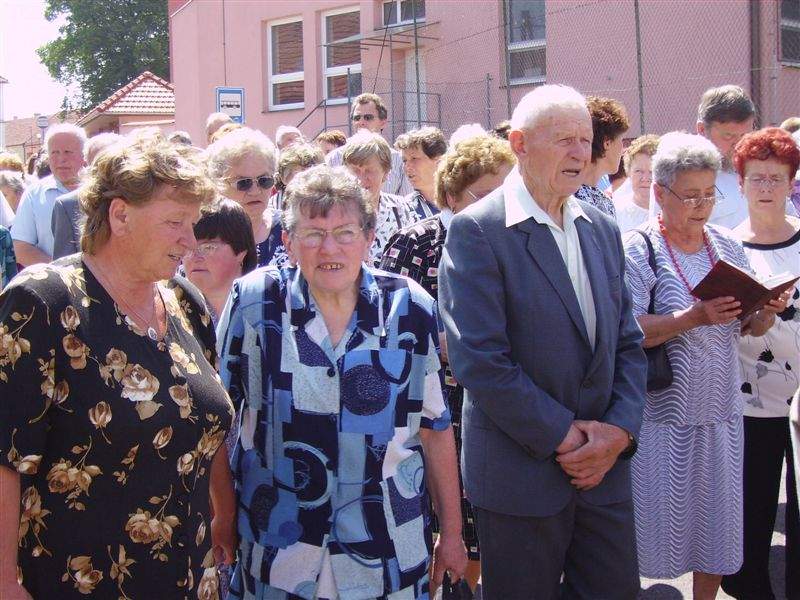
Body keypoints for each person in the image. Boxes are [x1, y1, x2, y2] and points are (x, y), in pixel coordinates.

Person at [0, 134, 236, 599]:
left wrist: (223, 516)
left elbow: (207, 429)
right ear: (120, 214)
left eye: (193, 223)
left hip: (187, 575)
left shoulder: (185, 303)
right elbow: (4, 456)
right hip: (80, 579)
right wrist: (4, 583)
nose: (190, 242)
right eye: (175, 222)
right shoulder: (44, 301)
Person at [217, 164, 467, 599]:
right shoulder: (255, 302)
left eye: (345, 232)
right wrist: (220, 514)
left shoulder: (408, 306)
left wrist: (453, 532)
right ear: (289, 242)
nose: (328, 247)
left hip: (387, 542)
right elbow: (218, 422)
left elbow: (435, 427)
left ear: (370, 238)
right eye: (312, 233)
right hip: (280, 545)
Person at [438, 85, 647, 600]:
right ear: (520, 143)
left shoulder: (599, 228)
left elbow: (627, 343)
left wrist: (618, 433)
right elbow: (480, 362)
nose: (580, 153)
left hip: (603, 476)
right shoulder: (477, 232)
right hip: (521, 479)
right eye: (564, 141)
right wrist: (570, 439)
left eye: (585, 139)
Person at [624, 131, 786, 600]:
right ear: (659, 193)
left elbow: (743, 329)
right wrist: (692, 317)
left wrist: (763, 312)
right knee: (649, 529)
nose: (702, 205)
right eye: (690, 195)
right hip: (660, 419)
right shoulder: (637, 248)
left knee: (716, 532)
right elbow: (627, 330)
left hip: (720, 413)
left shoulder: (726, 246)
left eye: (710, 194)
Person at [381, 134, 515, 592]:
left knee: (481, 527)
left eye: (506, 192)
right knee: (436, 517)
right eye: (486, 193)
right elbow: (389, 329)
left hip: (498, 404)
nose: (499, 204)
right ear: (454, 194)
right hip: (432, 409)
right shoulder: (415, 243)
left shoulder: (516, 240)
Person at [719, 128, 800, 600]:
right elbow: (724, 325)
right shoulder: (729, 247)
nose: (765, 188)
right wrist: (758, 318)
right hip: (749, 401)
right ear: (742, 183)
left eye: (775, 178)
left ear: (791, 181)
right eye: (756, 178)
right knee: (752, 510)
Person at [205, 127, 288, 268]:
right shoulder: (202, 235)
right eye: (243, 183)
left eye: (264, 180)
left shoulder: (290, 228)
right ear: (219, 184)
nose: (255, 191)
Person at [11, 124, 86, 266]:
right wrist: (63, 274)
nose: (61, 159)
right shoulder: (34, 194)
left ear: (84, 155)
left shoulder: (101, 191)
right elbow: (21, 247)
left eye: (68, 152)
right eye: (55, 153)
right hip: (54, 282)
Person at [341, 131, 419, 266]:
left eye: (369, 170)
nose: (360, 179)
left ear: (386, 174)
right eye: (355, 170)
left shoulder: (403, 210)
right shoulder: (331, 212)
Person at [51, 132, 123, 260]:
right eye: (100, 163)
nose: (108, 169)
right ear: (87, 166)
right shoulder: (68, 205)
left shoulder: (143, 199)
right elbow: (65, 265)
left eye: (116, 162)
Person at [183, 198, 257, 321]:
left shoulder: (265, 308)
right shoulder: (171, 310)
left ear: (241, 252)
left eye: (208, 247)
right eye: (188, 247)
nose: (194, 256)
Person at [326, 93, 413, 196]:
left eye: (368, 117)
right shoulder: (334, 158)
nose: (361, 122)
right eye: (357, 118)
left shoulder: (398, 160)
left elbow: (405, 203)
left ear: (383, 122)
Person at [696, 85, 757, 229]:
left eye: (745, 135)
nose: (739, 144)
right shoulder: (681, 176)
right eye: (729, 136)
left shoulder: (763, 169)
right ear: (702, 130)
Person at [574, 96, 629, 217]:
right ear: (607, 143)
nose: (623, 149)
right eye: (622, 141)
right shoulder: (569, 199)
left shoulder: (606, 202)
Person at [394, 127, 447, 219]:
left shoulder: (462, 201)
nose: (407, 166)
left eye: (414, 158)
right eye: (404, 160)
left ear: (437, 159)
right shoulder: (403, 210)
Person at [615, 134, 660, 233]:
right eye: (638, 171)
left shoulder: (672, 212)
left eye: (652, 172)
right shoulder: (616, 212)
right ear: (628, 172)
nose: (645, 178)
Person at [271, 142, 324, 211]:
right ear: (283, 178)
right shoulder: (273, 207)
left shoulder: (327, 202)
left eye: (308, 172)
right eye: (296, 173)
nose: (303, 179)